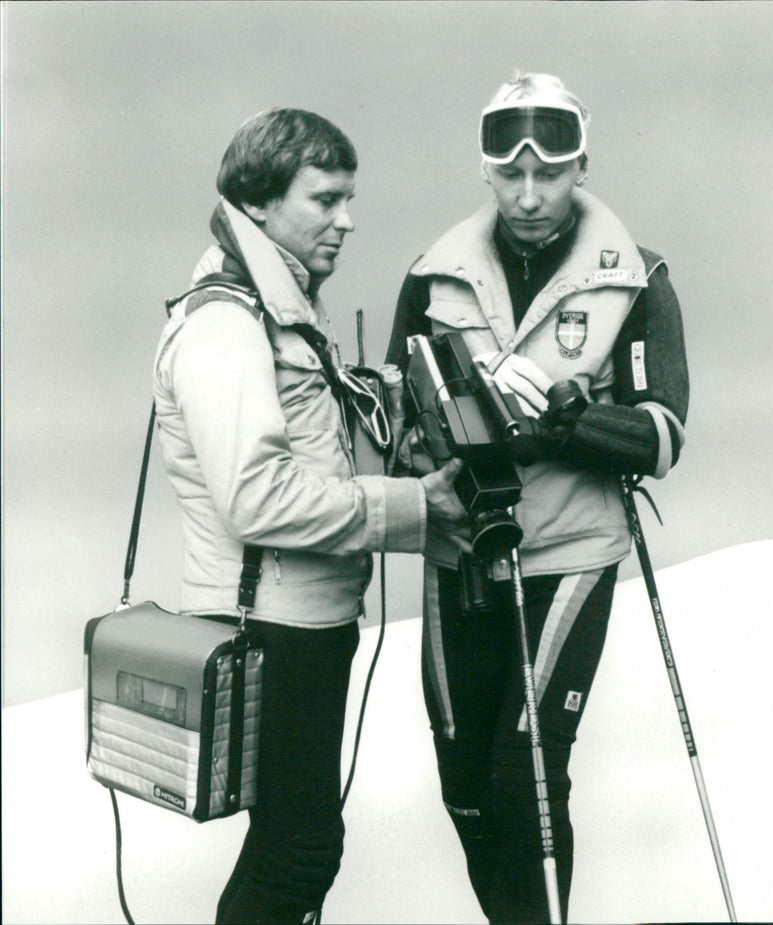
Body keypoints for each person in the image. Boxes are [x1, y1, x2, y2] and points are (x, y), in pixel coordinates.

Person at [385, 72, 690, 923]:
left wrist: (561, 418)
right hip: (461, 554)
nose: (528, 196)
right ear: (485, 169)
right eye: (510, 174)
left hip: (570, 551)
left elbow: (663, 435)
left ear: (581, 164)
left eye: (548, 175)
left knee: (526, 777)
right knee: (465, 783)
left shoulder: (638, 274)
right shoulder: (433, 273)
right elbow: (400, 429)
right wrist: (435, 431)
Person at [153, 107, 461, 925]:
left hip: (301, 620)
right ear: (258, 202)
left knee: (288, 842)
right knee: (300, 846)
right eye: (325, 199)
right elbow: (256, 495)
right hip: (271, 626)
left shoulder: (276, 304)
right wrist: (412, 506)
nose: (347, 219)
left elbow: (305, 458)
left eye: (348, 199)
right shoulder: (226, 321)